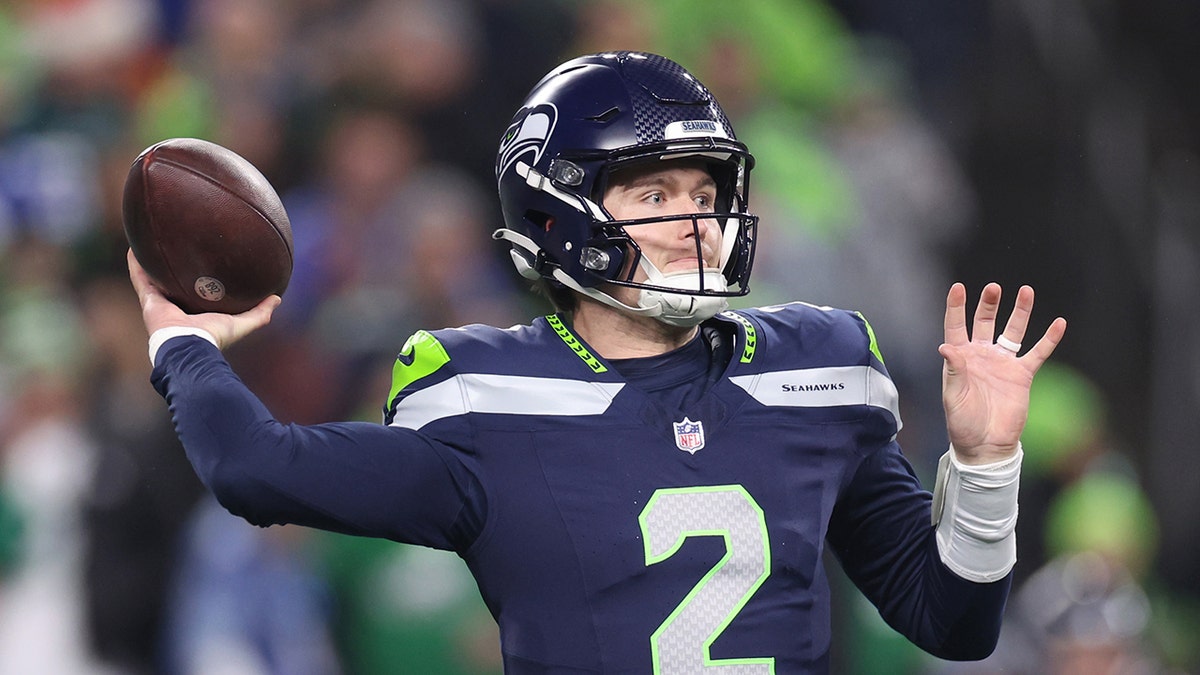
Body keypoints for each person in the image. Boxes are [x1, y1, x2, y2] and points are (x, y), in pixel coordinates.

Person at [128, 51, 1067, 673]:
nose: (696, 220)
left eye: (705, 190)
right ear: (558, 216)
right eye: (654, 193)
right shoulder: (484, 398)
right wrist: (185, 341)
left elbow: (953, 623)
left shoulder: (820, 368)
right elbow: (253, 467)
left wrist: (984, 464)